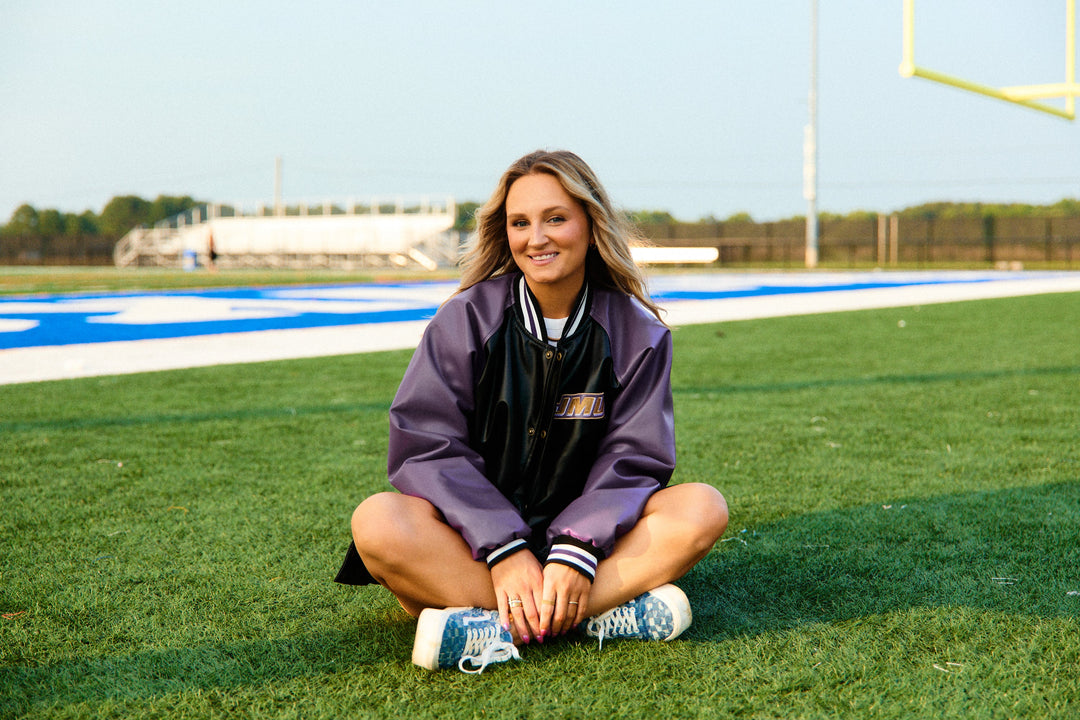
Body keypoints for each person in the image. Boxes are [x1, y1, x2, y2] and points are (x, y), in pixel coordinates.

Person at [336, 149, 728, 673]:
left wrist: (576, 550)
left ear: (591, 224)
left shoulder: (639, 333)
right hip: (475, 546)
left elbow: (634, 458)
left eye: (556, 219)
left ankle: (491, 625)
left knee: (701, 507)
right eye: (520, 223)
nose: (536, 238)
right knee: (378, 522)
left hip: (591, 551)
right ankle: (596, 613)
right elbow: (427, 446)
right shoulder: (464, 319)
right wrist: (502, 546)